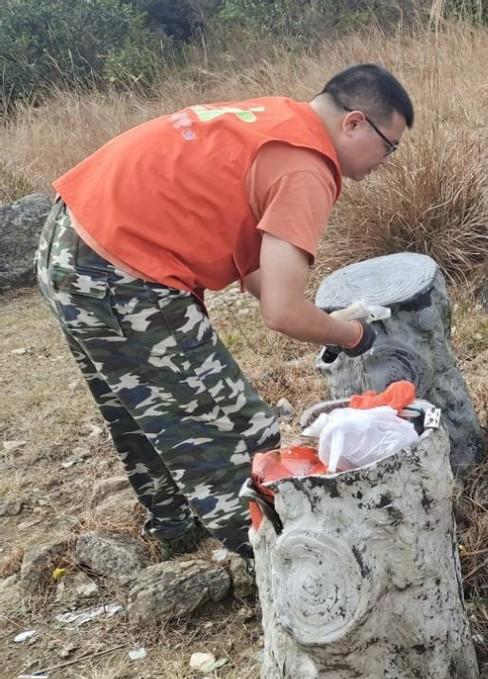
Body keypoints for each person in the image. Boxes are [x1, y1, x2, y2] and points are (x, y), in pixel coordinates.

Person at [35, 64, 413, 558]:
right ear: (355, 123)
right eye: (389, 147)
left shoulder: (277, 118)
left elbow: (257, 275)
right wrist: (353, 335)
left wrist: (323, 320)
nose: (385, 161)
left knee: (142, 402)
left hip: (70, 240)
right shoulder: (307, 168)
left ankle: (175, 530)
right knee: (238, 428)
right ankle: (278, 561)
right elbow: (281, 311)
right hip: (122, 272)